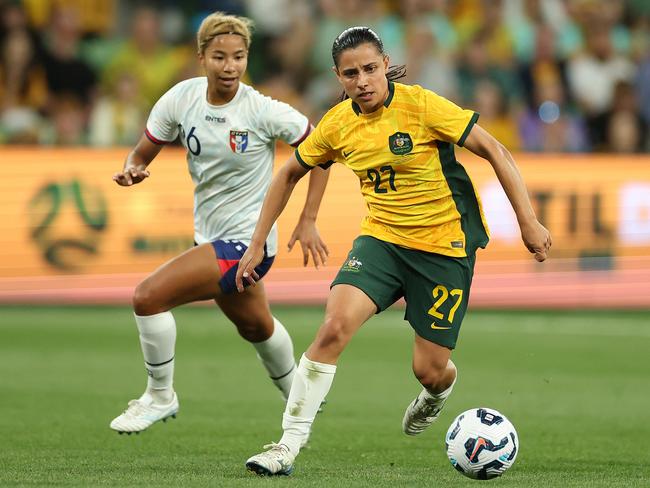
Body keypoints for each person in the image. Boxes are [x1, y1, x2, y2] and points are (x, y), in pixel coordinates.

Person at [236, 26, 551, 475]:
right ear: (338, 77)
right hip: (381, 241)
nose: (362, 80)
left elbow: (494, 149)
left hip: (444, 249)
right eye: (351, 73)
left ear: (385, 64)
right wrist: (258, 243)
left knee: (429, 368)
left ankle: (438, 391)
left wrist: (527, 220)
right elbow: (288, 173)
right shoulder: (337, 124)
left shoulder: (421, 105)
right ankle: (287, 446)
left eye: (369, 68)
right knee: (332, 329)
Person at [109, 12, 330, 434]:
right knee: (256, 325)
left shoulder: (261, 110)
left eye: (239, 57)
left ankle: (160, 395)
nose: (230, 67)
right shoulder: (180, 99)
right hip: (209, 238)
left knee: (147, 297)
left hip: (248, 246)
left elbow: (319, 149)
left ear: (247, 58)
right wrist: (133, 169)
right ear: (202, 57)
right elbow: (141, 152)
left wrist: (309, 217)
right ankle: (302, 400)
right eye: (220, 57)